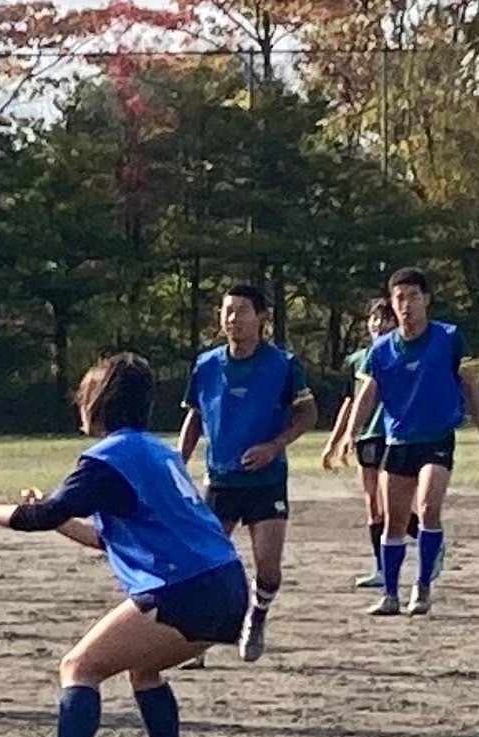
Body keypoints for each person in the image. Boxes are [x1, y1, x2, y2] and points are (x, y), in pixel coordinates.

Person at [0, 353, 247, 737]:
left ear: (99, 402)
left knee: (79, 667)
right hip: (226, 584)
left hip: (187, 587)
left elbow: (42, 516)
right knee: (143, 669)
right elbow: (104, 537)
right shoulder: (156, 452)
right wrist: (57, 517)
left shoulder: (109, 458)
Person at [177, 284, 316, 668]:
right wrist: (178, 461)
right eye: (227, 311)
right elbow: (195, 417)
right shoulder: (206, 365)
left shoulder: (283, 364)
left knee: (268, 568)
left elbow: (308, 414)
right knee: (204, 564)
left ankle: (257, 615)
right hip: (220, 481)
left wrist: (274, 445)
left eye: (241, 310)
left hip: (265, 481)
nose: (232, 318)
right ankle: (198, 641)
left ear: (261, 317)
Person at [338, 267, 479, 616]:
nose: (407, 305)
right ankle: (390, 594)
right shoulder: (381, 350)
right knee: (394, 521)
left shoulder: (448, 337)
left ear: (426, 299)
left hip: (436, 437)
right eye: (400, 298)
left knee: (429, 507)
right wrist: (350, 433)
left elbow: (467, 382)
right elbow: (367, 394)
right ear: (392, 302)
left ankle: (423, 586)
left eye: (414, 297)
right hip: (399, 439)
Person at [321, 298, 428, 588]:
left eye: (386, 319)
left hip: (391, 434)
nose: (379, 324)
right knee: (372, 504)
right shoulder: (358, 360)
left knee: (390, 502)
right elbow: (350, 402)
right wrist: (336, 440)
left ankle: (429, 538)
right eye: (374, 318)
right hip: (366, 436)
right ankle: (381, 568)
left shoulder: (399, 354)